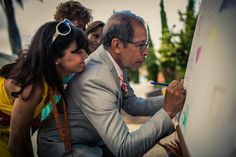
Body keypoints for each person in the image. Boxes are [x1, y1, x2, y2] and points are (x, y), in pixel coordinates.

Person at [38, 11, 186, 157]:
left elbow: (132, 104)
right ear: (117, 45)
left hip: (89, 141)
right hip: (64, 146)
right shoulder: (95, 80)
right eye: (140, 45)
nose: (146, 52)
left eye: (145, 44)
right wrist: (168, 112)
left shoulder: (116, 60)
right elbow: (124, 149)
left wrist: (173, 98)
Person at [0, 19, 88, 157]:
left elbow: (28, 131)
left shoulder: (51, 79)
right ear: (56, 57)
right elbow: (15, 144)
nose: (85, 56)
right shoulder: (33, 86)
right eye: (77, 52)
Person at [41, 0, 93, 121]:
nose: (83, 33)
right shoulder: (45, 56)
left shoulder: (80, 54)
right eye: (79, 27)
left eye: (84, 28)